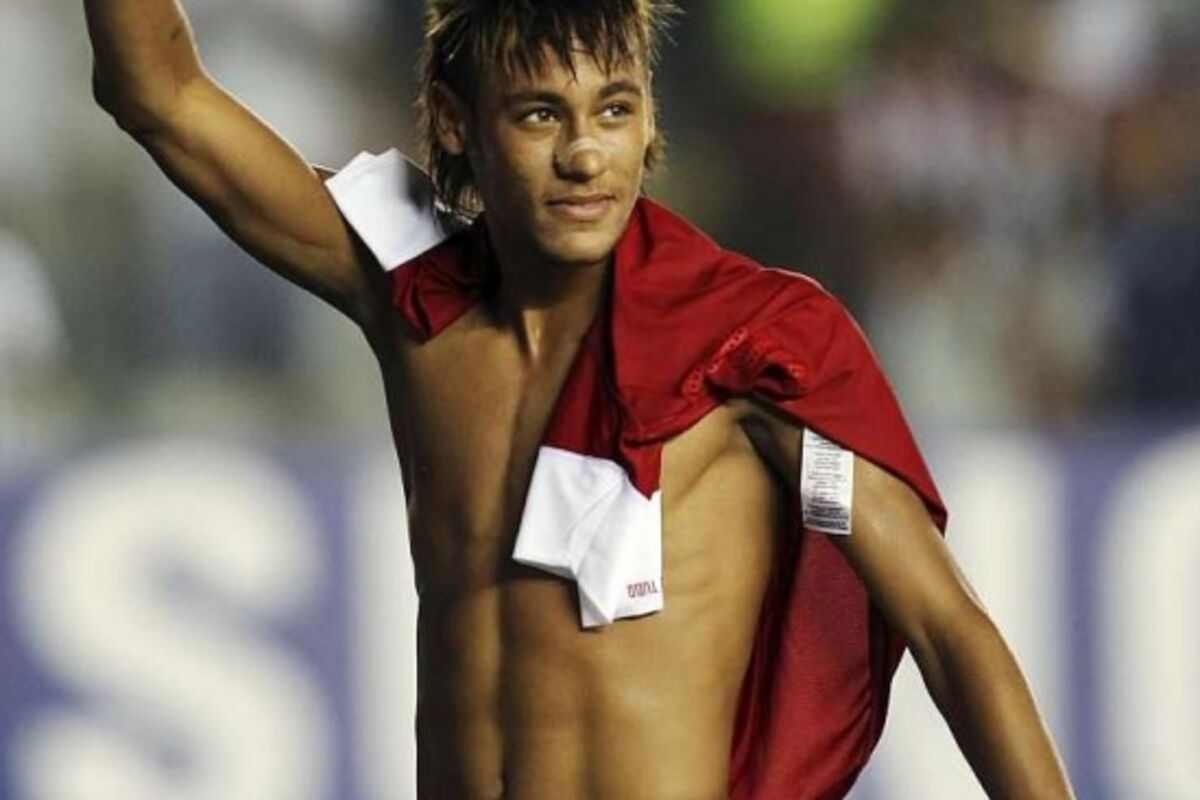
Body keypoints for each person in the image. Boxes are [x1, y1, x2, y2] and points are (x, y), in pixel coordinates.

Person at [84, 1, 1076, 797]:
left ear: (649, 120)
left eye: (614, 109)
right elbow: (159, 94)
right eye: (539, 114)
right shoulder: (413, 297)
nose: (584, 154)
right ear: (455, 122)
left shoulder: (750, 344)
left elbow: (949, 629)